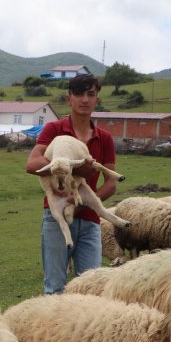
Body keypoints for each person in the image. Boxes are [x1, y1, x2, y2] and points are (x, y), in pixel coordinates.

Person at [26, 74, 118, 294]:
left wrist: (84, 205)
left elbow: (112, 182)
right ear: (69, 99)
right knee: (55, 287)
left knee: (92, 288)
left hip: (90, 221)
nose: (85, 99)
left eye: (91, 94)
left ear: (96, 99)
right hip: (56, 218)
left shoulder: (104, 138)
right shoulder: (54, 129)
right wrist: (72, 166)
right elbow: (32, 163)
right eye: (78, 94)